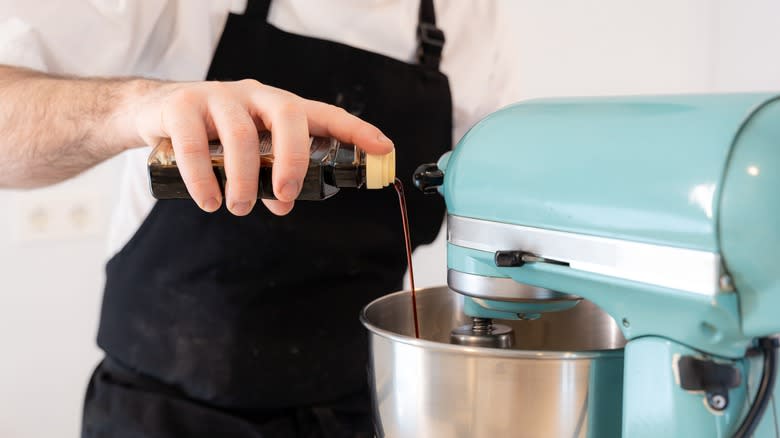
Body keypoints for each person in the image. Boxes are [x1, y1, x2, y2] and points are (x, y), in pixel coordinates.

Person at [0, 1, 520, 436]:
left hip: (361, 410)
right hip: (164, 414)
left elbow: (491, 212)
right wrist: (136, 106)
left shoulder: (464, 14)